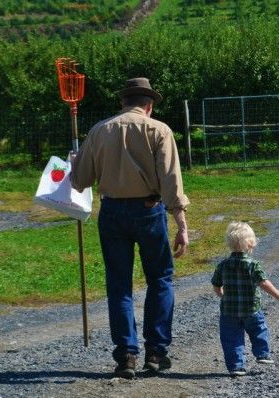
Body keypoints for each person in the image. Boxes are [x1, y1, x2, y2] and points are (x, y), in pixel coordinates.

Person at [70, 77, 190, 379]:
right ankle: (156, 351)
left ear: (123, 102)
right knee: (161, 278)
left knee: (119, 284)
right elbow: (171, 183)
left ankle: (126, 355)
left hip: (111, 212)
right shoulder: (159, 130)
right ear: (148, 105)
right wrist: (181, 225)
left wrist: (75, 162)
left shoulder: (99, 130)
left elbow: (79, 180)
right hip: (149, 211)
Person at [211, 221, 279, 377]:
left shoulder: (222, 265)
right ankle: (262, 354)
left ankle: (236, 367)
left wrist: (221, 295)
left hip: (228, 312)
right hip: (251, 309)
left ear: (229, 244)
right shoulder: (253, 265)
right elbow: (263, 283)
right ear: (251, 244)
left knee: (231, 339)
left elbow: (216, 285)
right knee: (259, 329)